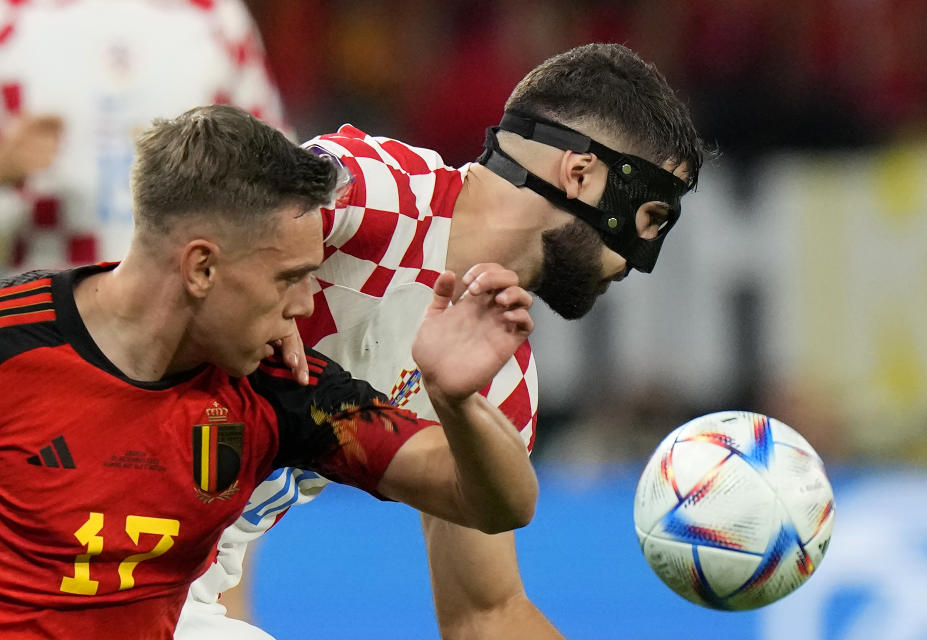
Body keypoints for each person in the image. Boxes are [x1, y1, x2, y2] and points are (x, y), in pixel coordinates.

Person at [180, 43, 706, 639]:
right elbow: (196, 213)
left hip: (172, 587)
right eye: (651, 216)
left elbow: (487, 614)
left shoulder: (498, 378)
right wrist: (260, 290)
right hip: (89, 532)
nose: (643, 260)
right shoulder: (381, 191)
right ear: (580, 174)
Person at [0, 104, 540, 639]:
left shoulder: (279, 389)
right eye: (291, 277)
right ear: (201, 268)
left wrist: (455, 401)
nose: (306, 306)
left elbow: (494, 504)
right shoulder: (15, 346)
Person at [0, 0, 288, 274]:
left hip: (183, 300)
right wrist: (5, 169)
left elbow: (278, 172)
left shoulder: (214, 15)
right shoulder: (11, 15)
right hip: (42, 302)